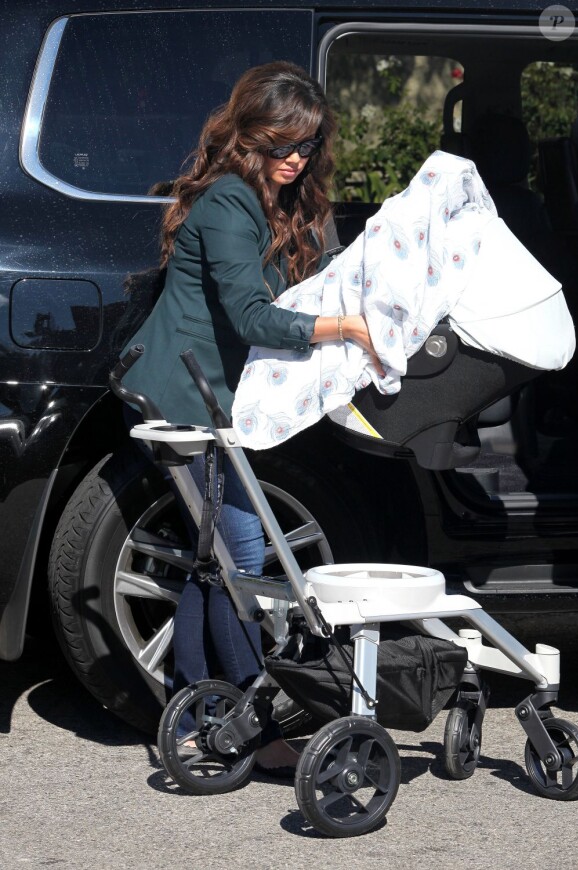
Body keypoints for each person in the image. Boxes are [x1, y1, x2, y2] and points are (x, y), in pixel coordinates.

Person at [120, 61, 380, 775]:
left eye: (306, 142)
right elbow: (249, 314)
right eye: (280, 142)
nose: (295, 157)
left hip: (210, 404)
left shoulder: (262, 201)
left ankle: (198, 712)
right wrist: (349, 329)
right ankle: (253, 729)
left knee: (216, 567)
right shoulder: (231, 203)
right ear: (248, 138)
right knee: (240, 565)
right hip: (191, 403)